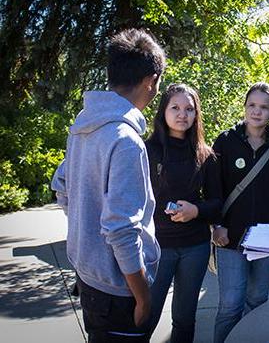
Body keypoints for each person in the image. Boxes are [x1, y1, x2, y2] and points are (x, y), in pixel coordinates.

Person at [51, 28, 165, 342]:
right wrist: (143, 297)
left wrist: (85, 229)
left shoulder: (84, 124)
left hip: (88, 276)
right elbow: (121, 229)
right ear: (151, 81)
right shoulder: (126, 141)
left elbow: (62, 185)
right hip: (118, 291)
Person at [211, 82, 269, 343]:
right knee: (230, 304)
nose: (257, 112)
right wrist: (217, 225)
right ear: (245, 107)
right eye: (252, 105)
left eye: (264, 107)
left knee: (258, 300)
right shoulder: (225, 142)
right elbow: (214, 187)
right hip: (230, 237)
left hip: (266, 241)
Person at [145, 83, 222, 343]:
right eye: (175, 107)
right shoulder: (146, 151)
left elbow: (217, 203)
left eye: (189, 109)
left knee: (185, 318)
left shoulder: (205, 154)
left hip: (195, 247)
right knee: (146, 315)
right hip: (157, 249)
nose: (182, 114)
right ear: (163, 111)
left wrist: (196, 210)